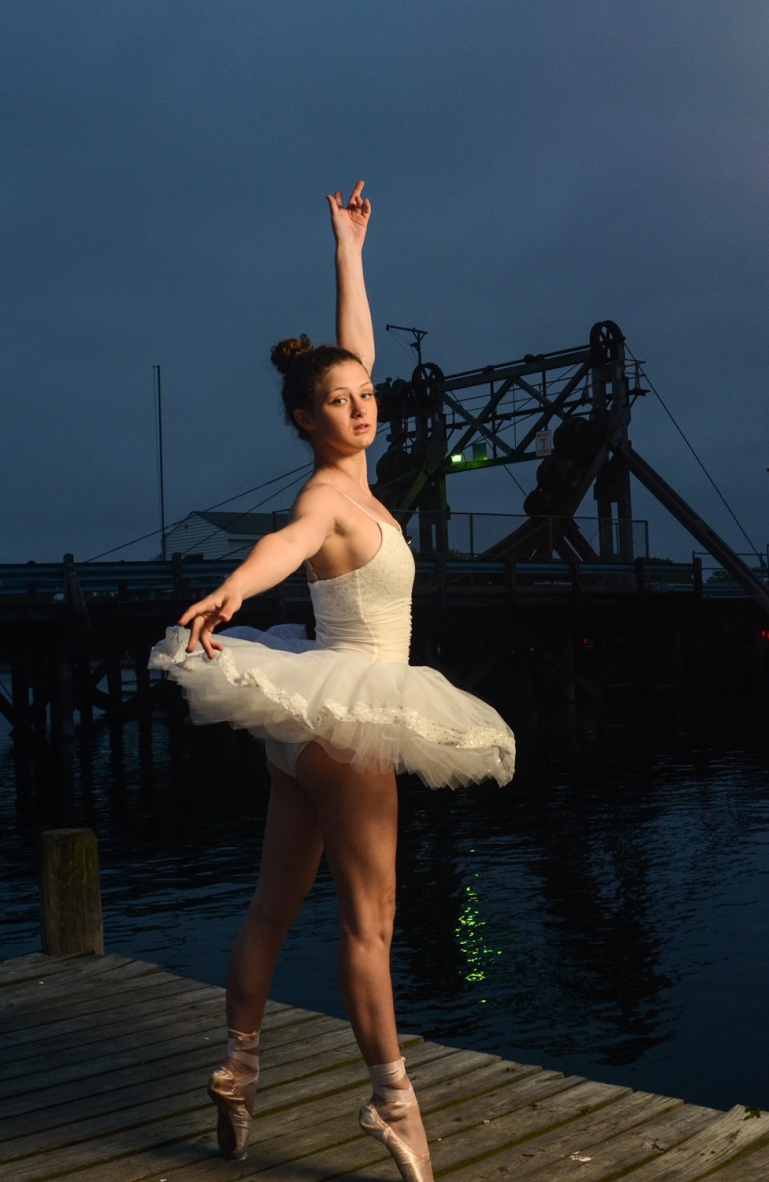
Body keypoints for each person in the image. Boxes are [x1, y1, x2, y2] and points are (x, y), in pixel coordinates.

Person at [149, 180, 515, 1182]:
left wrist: (349, 251)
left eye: (367, 400)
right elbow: (286, 542)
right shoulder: (326, 494)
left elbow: (352, 352)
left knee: (272, 905)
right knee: (369, 924)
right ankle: (394, 1102)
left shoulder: (353, 469)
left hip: (305, 717)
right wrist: (229, 587)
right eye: (341, 404)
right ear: (306, 422)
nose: (362, 408)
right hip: (352, 711)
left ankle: (237, 1067)